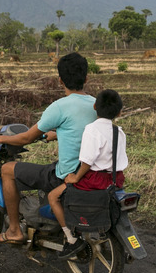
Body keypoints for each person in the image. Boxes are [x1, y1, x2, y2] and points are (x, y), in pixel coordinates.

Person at [0, 52, 96, 245]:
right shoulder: (97, 104)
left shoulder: (59, 107)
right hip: (92, 171)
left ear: (60, 80)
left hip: (66, 175)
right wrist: (58, 133)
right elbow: (85, 132)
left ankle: (14, 231)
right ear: (86, 78)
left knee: (7, 169)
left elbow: (26, 138)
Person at [48, 88, 128, 259]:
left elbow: (87, 160)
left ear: (94, 107)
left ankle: (71, 240)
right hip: (115, 178)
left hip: (94, 179)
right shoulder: (118, 132)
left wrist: (76, 177)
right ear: (120, 112)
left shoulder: (91, 130)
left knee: (53, 196)